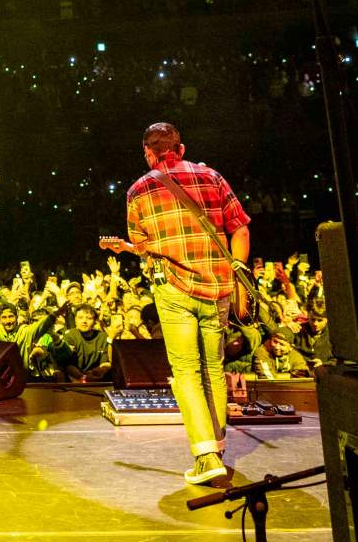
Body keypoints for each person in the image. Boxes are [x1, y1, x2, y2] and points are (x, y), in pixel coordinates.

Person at [104, 120, 250, 488]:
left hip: (174, 290)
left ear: (148, 153)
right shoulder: (212, 177)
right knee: (213, 368)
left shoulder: (139, 189)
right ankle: (216, 447)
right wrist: (236, 274)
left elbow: (145, 246)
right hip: (218, 286)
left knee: (186, 372)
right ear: (180, 149)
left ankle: (205, 456)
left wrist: (131, 247)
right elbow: (240, 228)